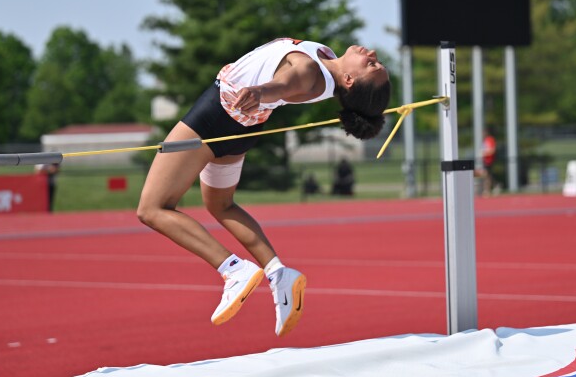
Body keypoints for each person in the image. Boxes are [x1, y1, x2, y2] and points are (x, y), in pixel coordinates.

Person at [137, 38, 390, 337]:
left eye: (371, 65)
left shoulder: (310, 72)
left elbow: (285, 82)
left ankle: (232, 269)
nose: (371, 55)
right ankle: (278, 274)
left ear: (348, 80)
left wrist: (260, 91)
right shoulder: (325, 59)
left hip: (215, 117)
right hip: (243, 126)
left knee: (152, 209)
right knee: (221, 205)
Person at [477, 127, 497, 196]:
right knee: (487, 175)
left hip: (489, 161)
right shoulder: (485, 140)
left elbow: (492, 150)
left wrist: (484, 153)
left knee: (487, 175)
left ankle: (488, 189)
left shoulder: (490, 140)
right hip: (485, 160)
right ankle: (490, 188)